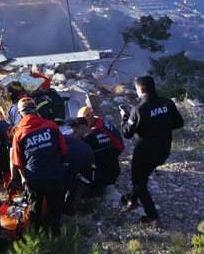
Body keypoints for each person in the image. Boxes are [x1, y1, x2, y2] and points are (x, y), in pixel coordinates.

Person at [120, 75, 184, 226]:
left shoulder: (139, 110)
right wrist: (162, 128)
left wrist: (124, 118)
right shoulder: (167, 103)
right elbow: (179, 123)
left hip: (144, 153)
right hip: (163, 150)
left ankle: (152, 216)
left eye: (136, 90)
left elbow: (127, 133)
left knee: (139, 182)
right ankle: (132, 198)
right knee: (143, 177)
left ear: (141, 90)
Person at [10, 96, 67, 235]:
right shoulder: (51, 126)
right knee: (55, 207)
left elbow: (17, 162)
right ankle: (55, 234)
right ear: (36, 109)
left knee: (35, 207)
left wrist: (23, 178)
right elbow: (63, 150)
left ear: (20, 113)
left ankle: (35, 234)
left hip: (34, 177)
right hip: (55, 174)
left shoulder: (19, 134)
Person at [70, 117, 120, 197]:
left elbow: (75, 154)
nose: (75, 134)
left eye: (75, 131)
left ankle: (96, 189)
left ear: (82, 129)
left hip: (106, 177)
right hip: (115, 172)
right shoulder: (99, 131)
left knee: (74, 170)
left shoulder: (87, 139)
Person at [62, 133, 94, 215]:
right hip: (88, 152)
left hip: (75, 159)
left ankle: (66, 208)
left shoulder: (50, 144)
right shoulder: (59, 135)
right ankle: (90, 184)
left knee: (67, 183)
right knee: (76, 178)